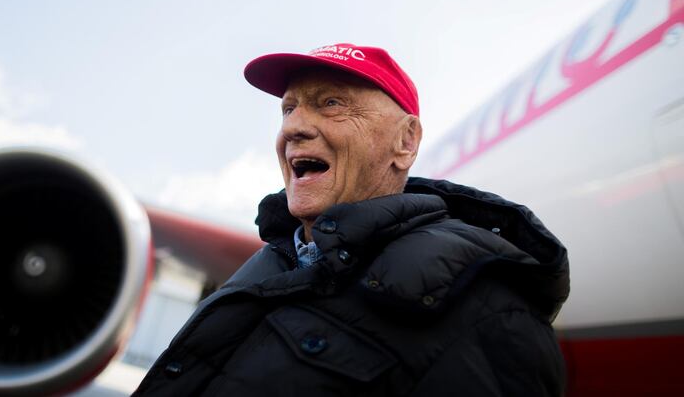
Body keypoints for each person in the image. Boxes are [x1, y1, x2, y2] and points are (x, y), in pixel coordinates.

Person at [133, 43, 569, 396]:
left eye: (332, 103)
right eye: (289, 109)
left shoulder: (491, 318)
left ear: (406, 141)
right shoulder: (270, 263)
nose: (293, 128)